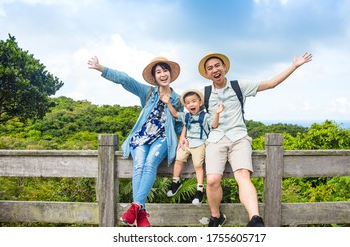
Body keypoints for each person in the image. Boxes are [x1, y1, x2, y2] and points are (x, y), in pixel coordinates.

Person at [198, 51, 313, 227]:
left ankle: (255, 218)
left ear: (225, 67)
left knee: (243, 176)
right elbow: (185, 111)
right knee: (212, 179)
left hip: (239, 137)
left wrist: (294, 66)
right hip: (215, 139)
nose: (214, 69)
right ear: (207, 73)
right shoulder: (203, 93)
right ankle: (216, 216)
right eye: (210, 68)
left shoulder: (239, 86)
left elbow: (271, 84)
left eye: (217, 65)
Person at [88, 55, 183, 227]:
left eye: (165, 70)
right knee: (139, 165)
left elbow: (180, 124)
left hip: (162, 138)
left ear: (170, 73)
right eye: (158, 72)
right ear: (154, 77)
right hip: (141, 136)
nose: (163, 74)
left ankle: (135, 208)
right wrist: (101, 68)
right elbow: (125, 79)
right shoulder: (147, 92)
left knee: (150, 163)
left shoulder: (177, 99)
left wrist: (185, 139)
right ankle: (141, 214)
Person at [160, 89, 224, 205]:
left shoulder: (205, 116)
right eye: (188, 103)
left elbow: (214, 125)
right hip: (187, 143)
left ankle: (200, 189)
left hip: (200, 144)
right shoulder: (186, 116)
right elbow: (175, 114)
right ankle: (176, 182)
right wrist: (167, 102)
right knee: (178, 159)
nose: (191, 104)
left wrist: (218, 114)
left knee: (198, 166)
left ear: (200, 103)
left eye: (194, 101)